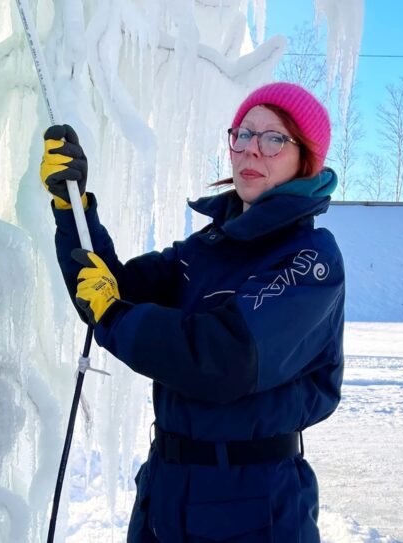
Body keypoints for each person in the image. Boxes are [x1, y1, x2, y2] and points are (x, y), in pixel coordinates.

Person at [40, 82, 345, 542]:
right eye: (242, 134)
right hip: (167, 493)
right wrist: (73, 208)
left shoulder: (310, 260)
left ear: (305, 159)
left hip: (253, 506)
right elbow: (112, 289)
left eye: (273, 138)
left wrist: (114, 313)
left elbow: (226, 357)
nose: (251, 150)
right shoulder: (204, 249)